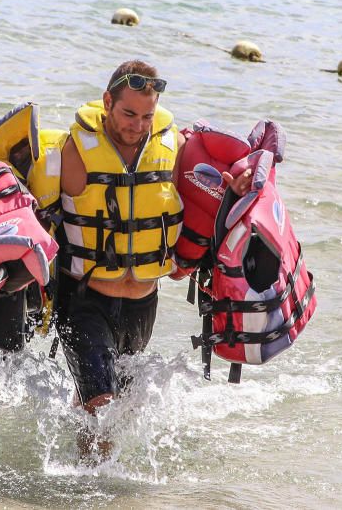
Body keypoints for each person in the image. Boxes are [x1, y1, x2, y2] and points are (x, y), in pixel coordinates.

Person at [55, 60, 251, 459]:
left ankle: (79, 470)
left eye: (146, 116)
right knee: (103, 406)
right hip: (84, 300)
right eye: (128, 113)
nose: (138, 125)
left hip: (143, 304)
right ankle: (96, 490)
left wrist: (234, 191)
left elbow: (204, 200)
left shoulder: (173, 146)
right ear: (108, 102)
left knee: (109, 403)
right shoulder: (72, 149)